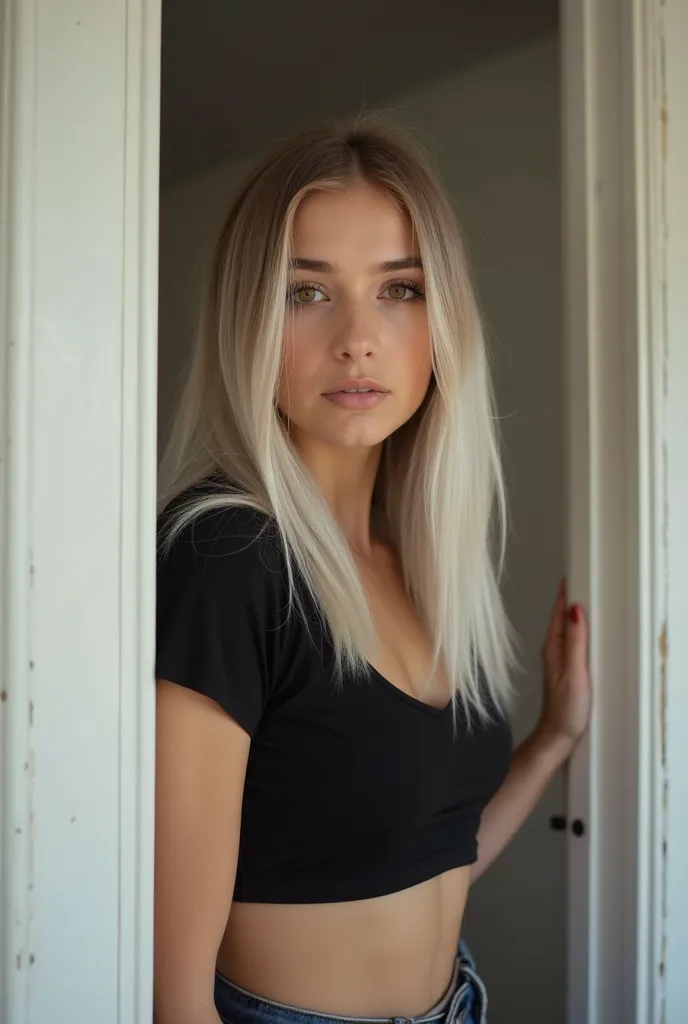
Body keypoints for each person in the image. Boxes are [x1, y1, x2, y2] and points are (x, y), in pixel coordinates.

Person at [153, 114, 592, 1024]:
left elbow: (430, 857)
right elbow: (170, 990)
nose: (358, 337)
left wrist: (552, 739)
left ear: (444, 321)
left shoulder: (416, 563)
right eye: (305, 293)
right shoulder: (224, 559)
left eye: (399, 289)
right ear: (248, 319)